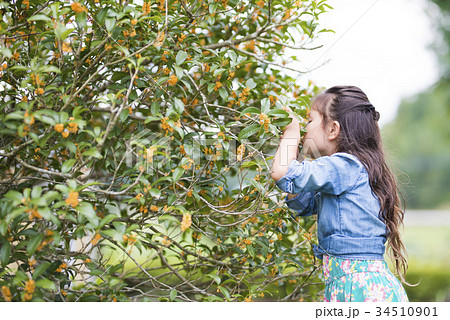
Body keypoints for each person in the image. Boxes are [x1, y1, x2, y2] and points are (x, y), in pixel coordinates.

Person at [271, 85, 410, 302]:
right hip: (358, 287)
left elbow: (282, 174)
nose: (305, 129)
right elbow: (300, 202)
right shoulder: (347, 171)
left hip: (361, 291)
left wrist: (291, 132)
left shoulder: (344, 166)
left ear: (333, 130)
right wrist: (293, 150)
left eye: (309, 121)